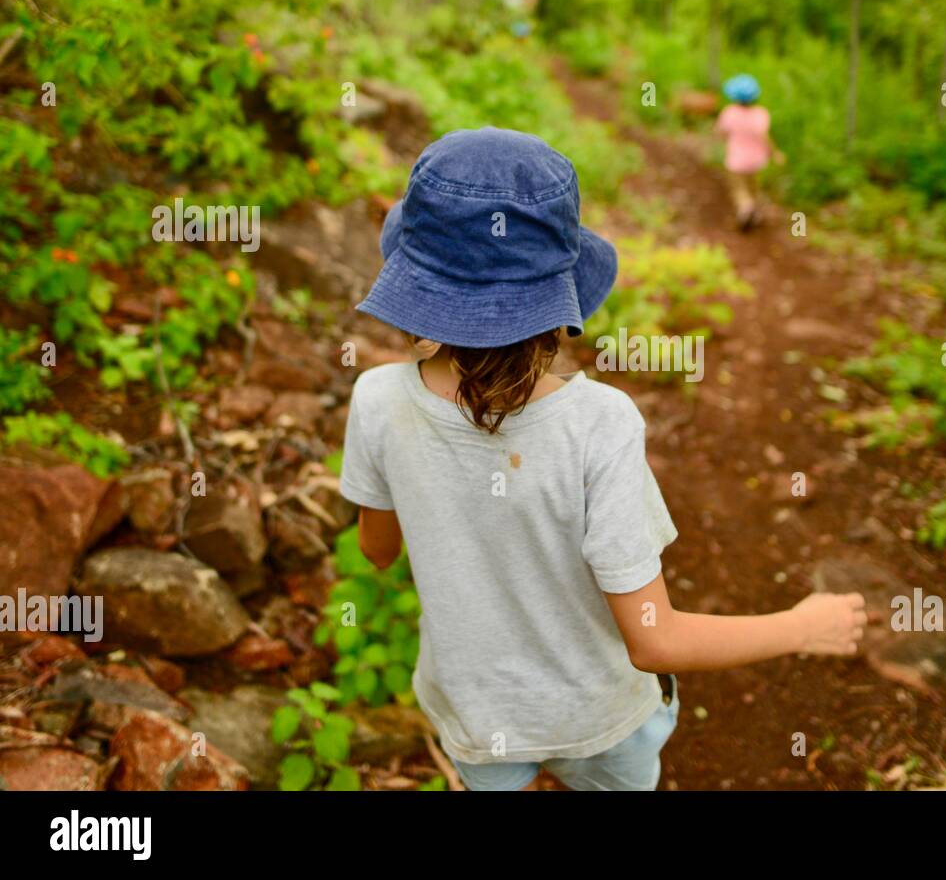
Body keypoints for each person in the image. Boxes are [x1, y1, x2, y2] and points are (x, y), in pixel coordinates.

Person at [341, 127, 865, 791]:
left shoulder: (377, 399)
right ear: (559, 297)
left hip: (475, 713)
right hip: (603, 719)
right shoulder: (600, 423)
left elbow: (379, 549)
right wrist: (800, 625)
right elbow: (655, 640)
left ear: (418, 282)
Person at [715, 74, 783, 230]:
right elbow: (765, 136)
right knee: (753, 187)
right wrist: (775, 153)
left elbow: (721, 132)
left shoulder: (729, 112)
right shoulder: (761, 113)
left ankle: (745, 208)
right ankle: (755, 210)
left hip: (736, 160)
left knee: (739, 188)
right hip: (757, 160)